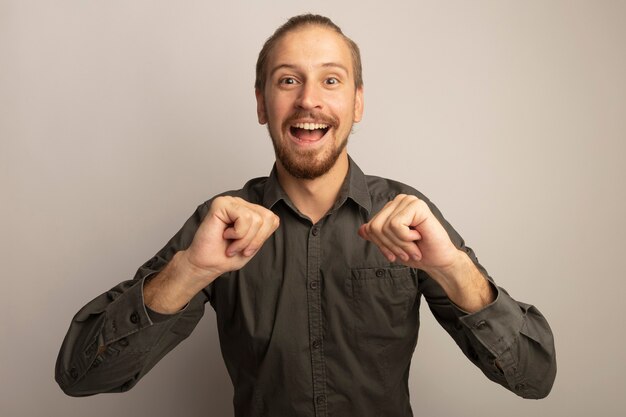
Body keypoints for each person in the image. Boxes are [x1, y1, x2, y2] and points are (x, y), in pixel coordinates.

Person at [56, 14, 556, 417]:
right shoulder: (219, 224)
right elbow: (80, 377)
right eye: (288, 80)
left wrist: (452, 268)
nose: (308, 99)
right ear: (262, 104)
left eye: (331, 80)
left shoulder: (407, 214)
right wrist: (190, 272)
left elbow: (534, 378)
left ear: (357, 102)